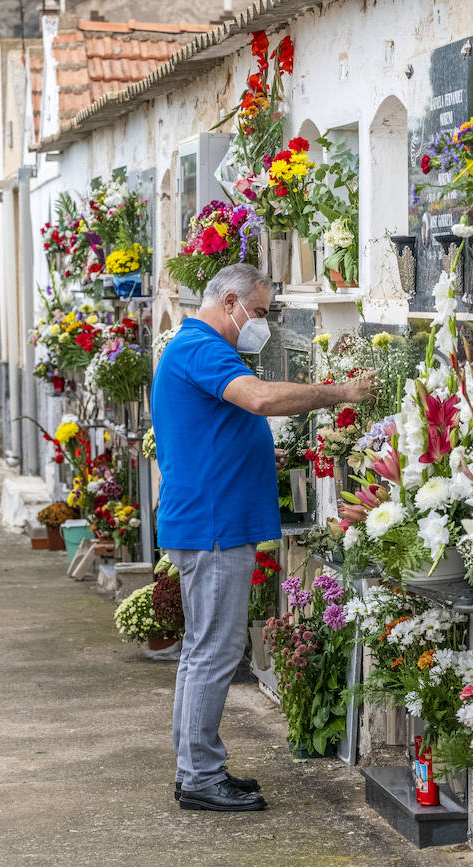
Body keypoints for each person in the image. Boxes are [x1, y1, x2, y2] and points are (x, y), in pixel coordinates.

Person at [150, 263, 374, 813]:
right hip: (214, 526)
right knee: (214, 651)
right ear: (230, 302)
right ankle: (200, 776)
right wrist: (339, 391)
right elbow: (259, 400)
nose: (264, 322)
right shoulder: (201, 346)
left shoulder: (195, 345)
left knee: (202, 652)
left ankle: (196, 767)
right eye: (262, 311)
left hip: (211, 520)